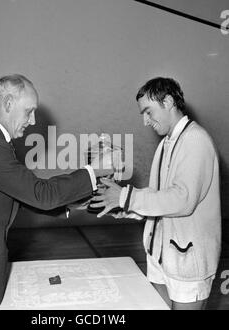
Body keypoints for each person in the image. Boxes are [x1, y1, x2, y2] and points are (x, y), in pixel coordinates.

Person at [0, 74, 113, 310]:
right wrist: (95, 170)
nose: (33, 120)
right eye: (29, 111)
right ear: (8, 104)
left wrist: (69, 204)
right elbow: (40, 193)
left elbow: (17, 192)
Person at [91, 77, 221, 310]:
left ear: (168, 101)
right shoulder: (166, 143)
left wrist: (126, 196)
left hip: (188, 262)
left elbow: (182, 200)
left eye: (148, 112)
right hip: (162, 257)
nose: (145, 121)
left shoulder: (195, 140)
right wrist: (123, 206)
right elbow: (159, 195)